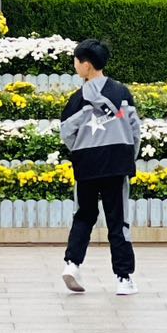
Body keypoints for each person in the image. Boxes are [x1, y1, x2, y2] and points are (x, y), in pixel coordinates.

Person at [59, 38, 141, 296]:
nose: (75, 65)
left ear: (86, 65)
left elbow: (66, 134)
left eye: (76, 61)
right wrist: (128, 155)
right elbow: (135, 130)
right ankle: (124, 278)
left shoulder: (76, 100)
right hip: (116, 164)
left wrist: (81, 151)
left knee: (83, 215)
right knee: (118, 220)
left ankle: (72, 264)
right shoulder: (121, 93)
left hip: (87, 167)